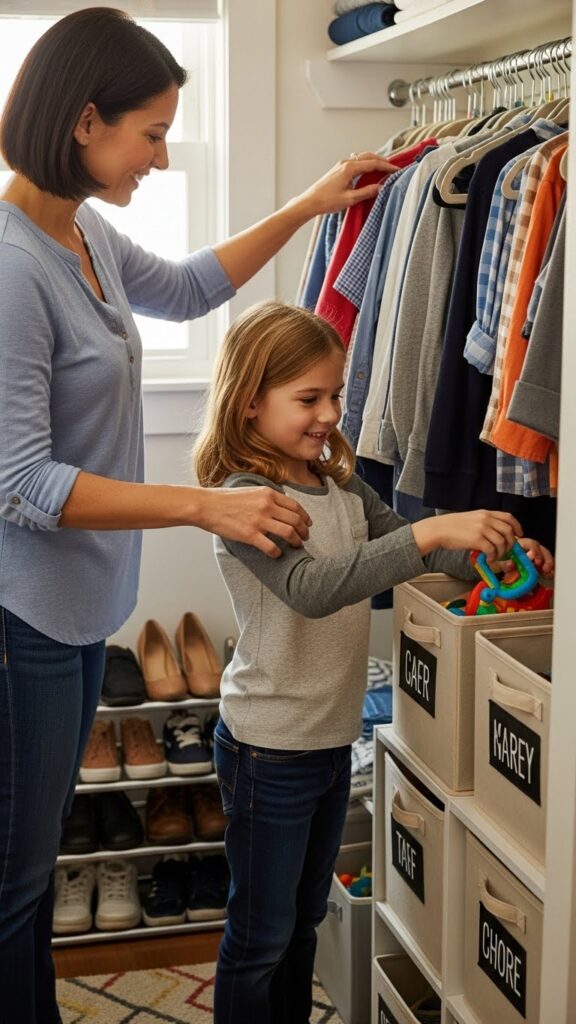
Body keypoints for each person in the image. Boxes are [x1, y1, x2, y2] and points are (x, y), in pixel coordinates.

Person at [0, 9, 398, 1023]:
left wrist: (309, 206)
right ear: (85, 121)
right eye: (151, 133)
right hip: (23, 613)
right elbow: (22, 482)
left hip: (78, 605)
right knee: (14, 887)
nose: (162, 157)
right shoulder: (11, 267)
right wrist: (205, 505)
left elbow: (184, 290)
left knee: (28, 877)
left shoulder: (81, 231)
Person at [193, 299, 554, 1024]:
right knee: (260, 937)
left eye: (335, 395)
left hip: (331, 739)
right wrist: (430, 536)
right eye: (309, 399)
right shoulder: (243, 500)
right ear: (250, 400)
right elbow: (313, 588)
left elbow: (403, 548)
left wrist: (491, 556)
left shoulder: (338, 485)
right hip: (269, 748)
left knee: (301, 924)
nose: (330, 414)